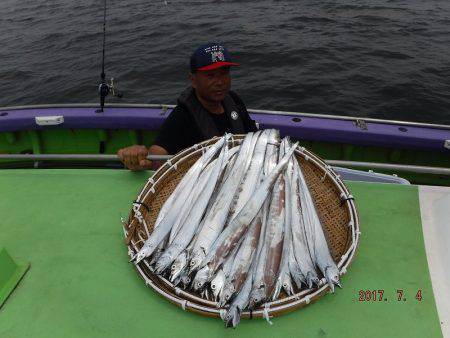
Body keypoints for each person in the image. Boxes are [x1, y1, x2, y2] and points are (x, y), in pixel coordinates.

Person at [118, 42, 258, 171]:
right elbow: (157, 155)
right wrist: (138, 156)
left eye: (224, 74)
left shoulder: (233, 100)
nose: (220, 82)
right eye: (210, 76)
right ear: (193, 80)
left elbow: (254, 136)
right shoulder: (183, 116)